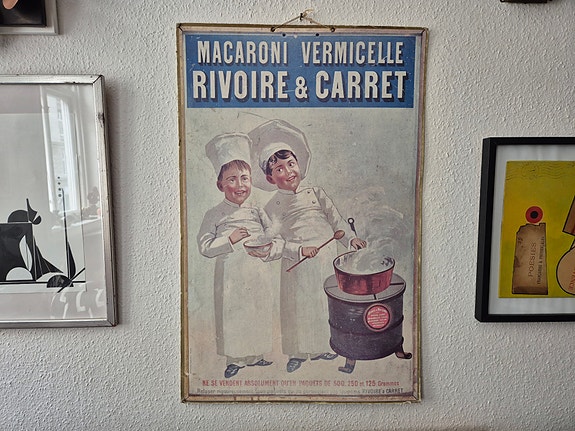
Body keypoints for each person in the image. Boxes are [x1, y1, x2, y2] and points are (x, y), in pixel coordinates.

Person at [249, 119, 367, 373]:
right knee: (297, 307)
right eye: (279, 169)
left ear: (299, 164)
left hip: (326, 260)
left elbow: (336, 221)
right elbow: (273, 240)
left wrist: (350, 239)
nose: (288, 171)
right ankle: (297, 353)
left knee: (323, 304)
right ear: (270, 177)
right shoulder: (272, 207)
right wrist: (297, 249)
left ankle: (325, 346)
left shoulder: (316, 192)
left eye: (291, 164)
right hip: (297, 263)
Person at [197, 132, 278, 378]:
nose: (240, 185)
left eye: (245, 178)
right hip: (230, 276)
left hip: (257, 272)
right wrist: (229, 240)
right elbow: (205, 246)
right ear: (220, 185)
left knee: (257, 310)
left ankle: (256, 356)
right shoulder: (214, 214)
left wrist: (268, 248)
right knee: (234, 315)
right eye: (232, 179)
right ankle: (235, 360)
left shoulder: (257, 210)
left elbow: (273, 234)